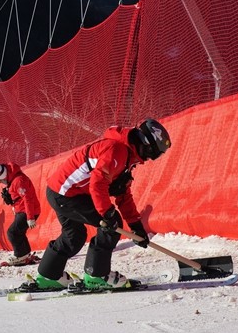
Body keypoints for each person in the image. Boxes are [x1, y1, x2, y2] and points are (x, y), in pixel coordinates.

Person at [29, 118, 171, 291]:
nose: (150, 159)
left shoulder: (126, 156)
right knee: (112, 225)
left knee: (74, 235)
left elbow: (122, 193)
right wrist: (107, 213)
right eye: (155, 153)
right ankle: (96, 276)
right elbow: (97, 183)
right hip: (66, 194)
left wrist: (136, 225)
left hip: (62, 191)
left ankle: (48, 276)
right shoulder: (116, 151)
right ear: (147, 145)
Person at [0, 162, 41, 266]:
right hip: (21, 210)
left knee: (12, 233)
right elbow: (19, 197)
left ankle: (20, 256)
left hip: (28, 211)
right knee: (19, 233)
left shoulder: (18, 181)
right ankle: (25, 255)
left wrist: (30, 217)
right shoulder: (12, 179)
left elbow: (28, 199)